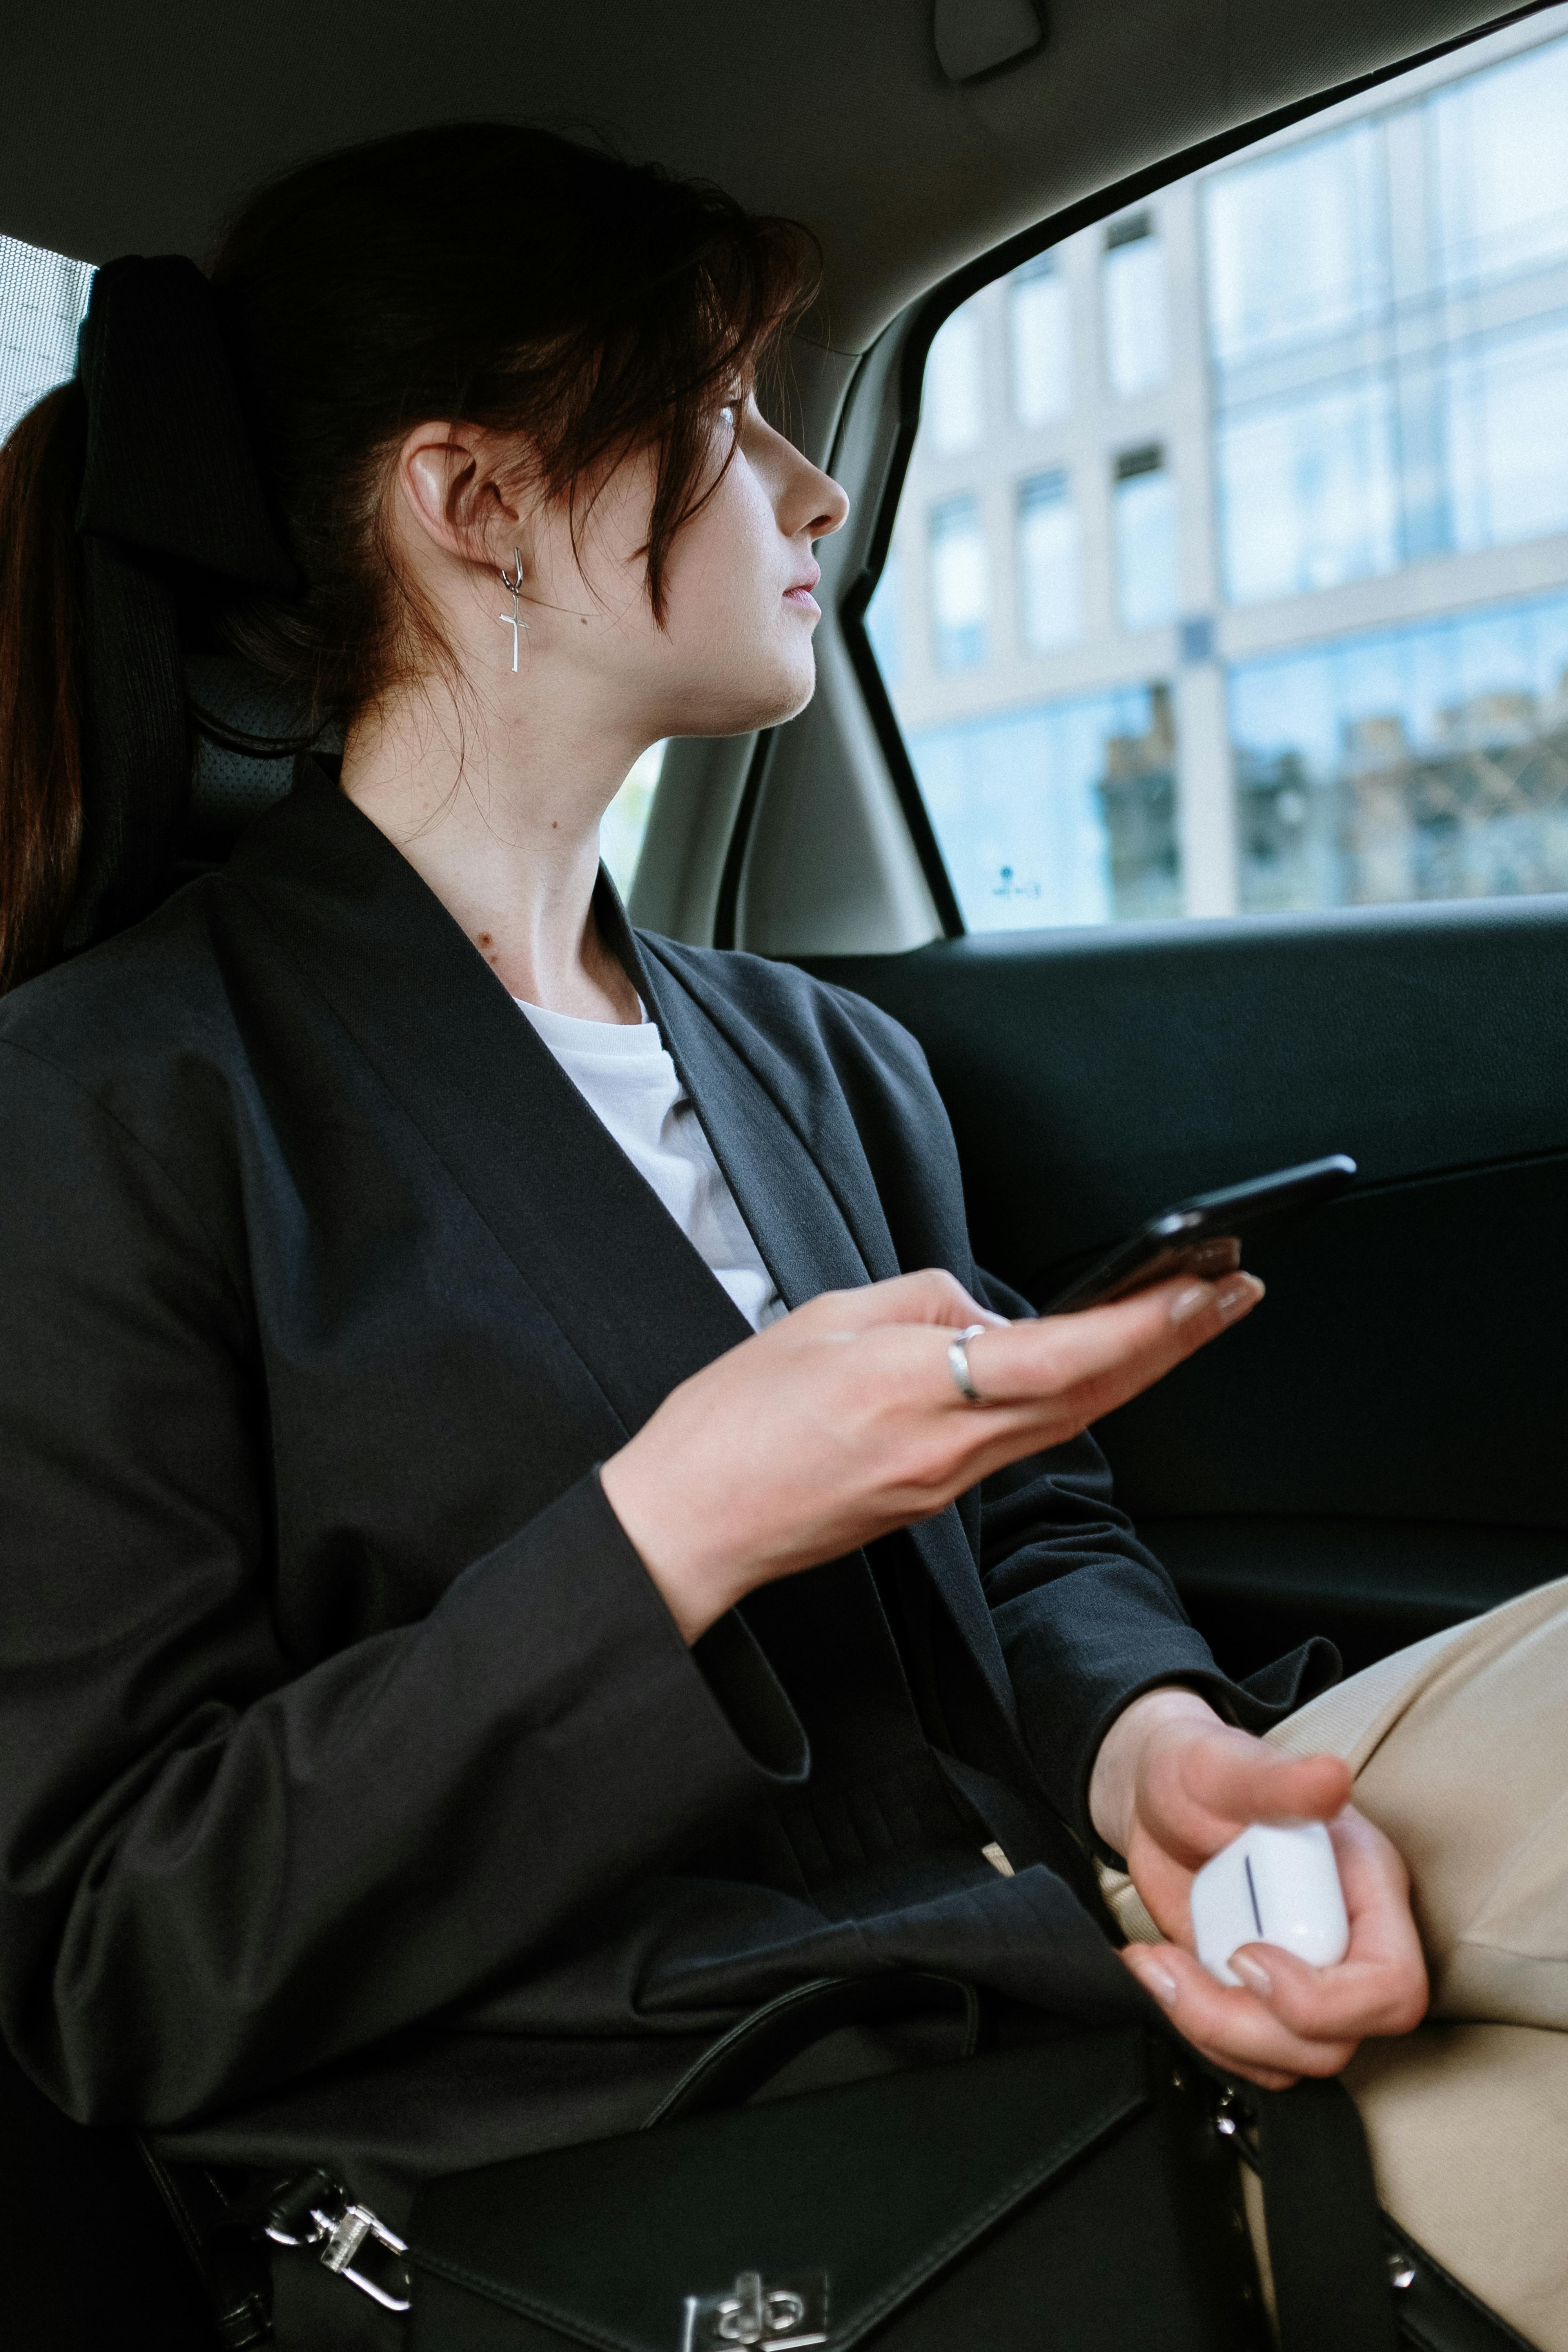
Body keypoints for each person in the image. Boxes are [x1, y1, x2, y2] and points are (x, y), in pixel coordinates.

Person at [0, 123, 1559, 2352]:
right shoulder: (106, 1108)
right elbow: (118, 1962)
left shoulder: (822, 1060)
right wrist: (669, 1527)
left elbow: (1032, 1539)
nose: (816, 490)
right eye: (730, 416)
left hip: (1053, 1931)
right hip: (681, 2155)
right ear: (475, 502)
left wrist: (1148, 1748)